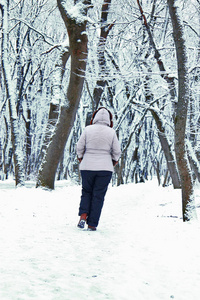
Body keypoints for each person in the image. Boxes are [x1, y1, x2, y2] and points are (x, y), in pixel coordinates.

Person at [76, 107, 121, 231]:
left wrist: (80, 157)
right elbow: (117, 151)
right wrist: (113, 160)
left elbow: (79, 146)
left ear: (94, 118)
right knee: (98, 195)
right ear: (109, 120)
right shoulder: (111, 132)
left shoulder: (87, 130)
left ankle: (83, 216)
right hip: (105, 168)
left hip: (87, 166)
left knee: (86, 191)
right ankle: (92, 224)